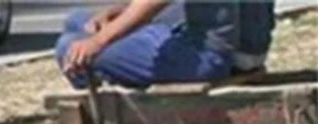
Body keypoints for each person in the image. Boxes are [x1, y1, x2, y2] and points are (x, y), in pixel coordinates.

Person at [54, 0, 276, 89]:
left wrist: (100, 40)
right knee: (77, 20)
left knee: (68, 46)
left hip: (209, 56)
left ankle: (104, 118)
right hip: (244, 49)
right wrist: (123, 10)